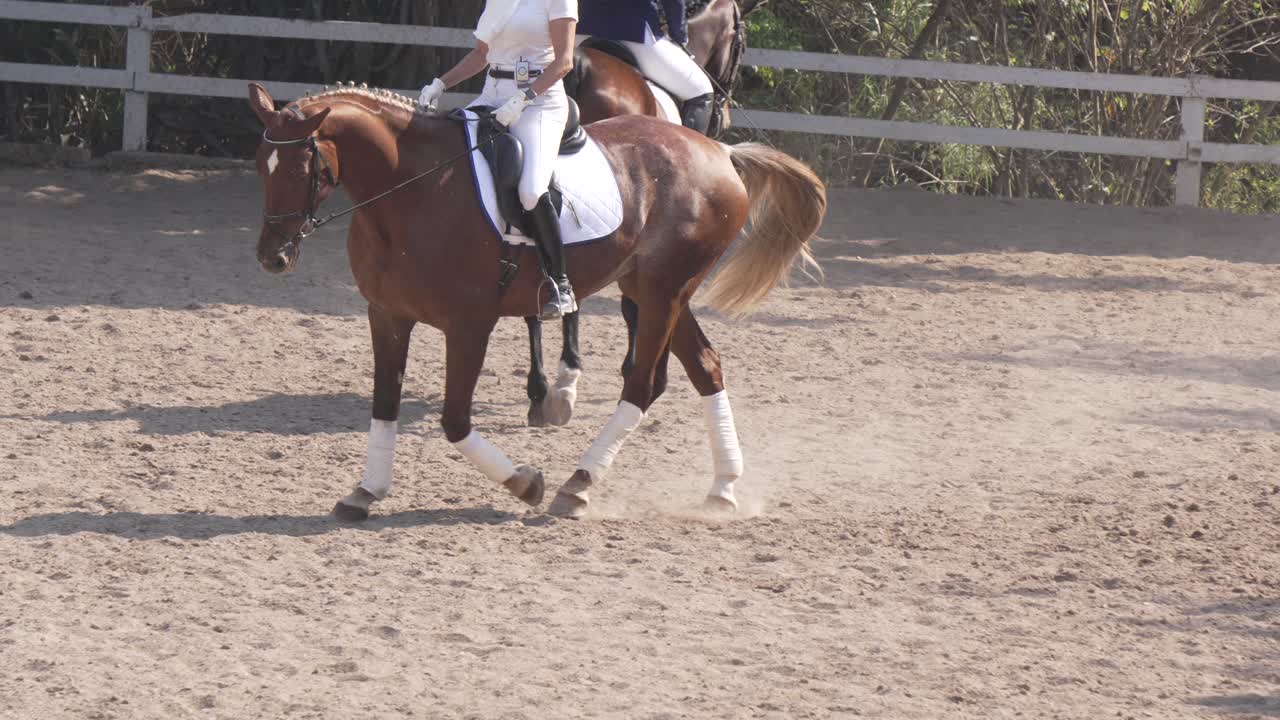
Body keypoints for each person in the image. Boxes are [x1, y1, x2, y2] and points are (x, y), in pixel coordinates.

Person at [419, 0, 579, 319]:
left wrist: (523, 100)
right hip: (492, 95)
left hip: (539, 103)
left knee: (532, 191)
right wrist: (440, 84)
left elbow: (563, 62)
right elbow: (481, 55)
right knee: (447, 159)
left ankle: (561, 285)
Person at [576, 0, 716, 135]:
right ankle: (689, 157)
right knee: (701, 91)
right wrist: (679, 35)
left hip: (578, 32)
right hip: (634, 31)